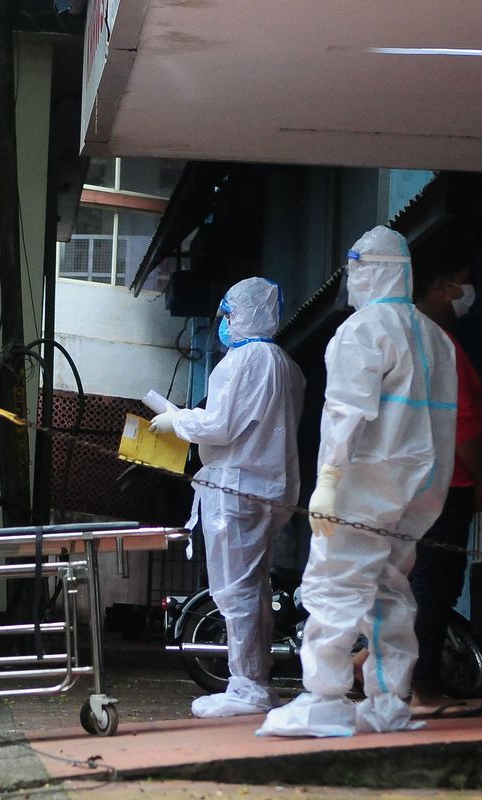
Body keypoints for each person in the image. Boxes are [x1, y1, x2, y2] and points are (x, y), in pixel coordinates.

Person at [258, 226, 457, 738]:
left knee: (334, 586)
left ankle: (324, 700)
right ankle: (388, 701)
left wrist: (329, 480)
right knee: (392, 588)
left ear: (370, 269)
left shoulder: (365, 328)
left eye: (354, 269)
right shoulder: (437, 337)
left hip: (364, 483)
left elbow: (346, 413)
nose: (350, 281)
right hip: (420, 489)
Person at [150, 277, 305, 718]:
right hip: (268, 489)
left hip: (235, 490)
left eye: (229, 314)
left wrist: (177, 420)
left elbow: (220, 426)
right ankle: (254, 681)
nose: (224, 323)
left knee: (235, 590)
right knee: (252, 589)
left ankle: (247, 687)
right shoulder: (287, 365)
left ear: (248, 313)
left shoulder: (243, 361)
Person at [408, 242, 482, 709]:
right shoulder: (442, 345)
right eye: (463, 281)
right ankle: (422, 687)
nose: (469, 292)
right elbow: (464, 428)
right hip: (447, 485)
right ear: (439, 288)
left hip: (410, 484)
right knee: (433, 587)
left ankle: (390, 672)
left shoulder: (403, 337)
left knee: (414, 584)